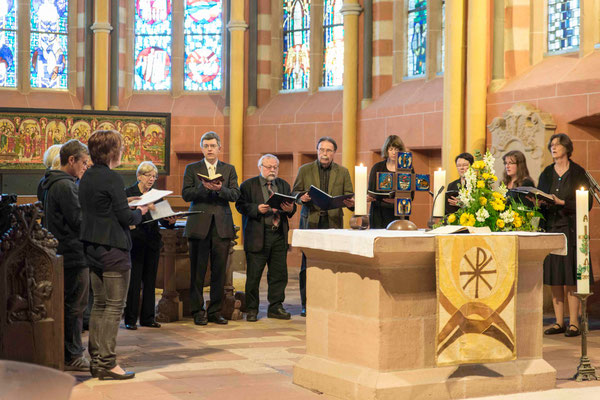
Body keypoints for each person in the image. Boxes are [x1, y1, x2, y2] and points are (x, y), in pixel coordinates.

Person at [79, 130, 151, 380]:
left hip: (93, 248)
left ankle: (97, 360)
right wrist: (141, 210)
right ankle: (108, 363)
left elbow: (101, 207)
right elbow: (126, 218)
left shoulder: (88, 175)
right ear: (111, 151)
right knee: (114, 308)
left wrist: (124, 200)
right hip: (113, 250)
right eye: (120, 147)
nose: (122, 151)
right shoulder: (111, 178)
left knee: (99, 304)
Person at [39, 139, 90, 371]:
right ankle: (72, 355)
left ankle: (67, 351)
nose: (84, 167)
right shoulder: (67, 185)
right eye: (83, 163)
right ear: (71, 160)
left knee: (69, 305)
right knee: (75, 307)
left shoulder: (50, 182)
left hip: (61, 251)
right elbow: (79, 221)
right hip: (73, 253)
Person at [182, 131, 240, 326]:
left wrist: (219, 189)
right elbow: (186, 194)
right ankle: (197, 311)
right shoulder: (192, 168)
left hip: (222, 226)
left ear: (219, 148)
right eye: (206, 146)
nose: (209, 149)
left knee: (219, 272)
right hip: (199, 224)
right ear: (202, 148)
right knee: (197, 271)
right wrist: (204, 187)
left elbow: (234, 195)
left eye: (212, 146)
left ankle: (215, 311)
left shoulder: (229, 169)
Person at [538, 133, 593, 338]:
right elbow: (540, 195)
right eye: (551, 145)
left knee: (571, 275)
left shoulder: (578, 172)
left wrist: (562, 203)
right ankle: (559, 322)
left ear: (566, 148)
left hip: (571, 229)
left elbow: (586, 203)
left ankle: (574, 322)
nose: (553, 148)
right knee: (555, 277)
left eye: (557, 145)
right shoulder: (546, 173)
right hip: (552, 227)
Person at [292, 137, 354, 317]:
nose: (324, 154)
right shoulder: (305, 170)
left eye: (328, 150)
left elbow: (349, 197)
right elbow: (295, 192)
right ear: (317, 151)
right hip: (311, 222)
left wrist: (350, 202)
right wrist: (300, 198)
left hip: (332, 222)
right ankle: (306, 303)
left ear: (334, 153)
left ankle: (329, 302)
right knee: (307, 265)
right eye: (321, 150)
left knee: (331, 264)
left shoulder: (342, 172)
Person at [236, 154, 297, 322]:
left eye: (275, 167)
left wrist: (290, 208)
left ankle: (276, 307)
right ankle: (252, 309)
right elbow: (240, 205)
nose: (272, 170)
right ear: (260, 167)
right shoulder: (248, 185)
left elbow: (293, 208)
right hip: (258, 234)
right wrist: (256, 208)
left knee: (279, 274)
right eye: (268, 167)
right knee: (254, 276)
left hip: (278, 234)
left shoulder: (283, 185)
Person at [124, 161, 176, 330]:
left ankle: (147, 317)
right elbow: (126, 217)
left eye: (154, 176)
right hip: (135, 242)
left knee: (150, 281)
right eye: (148, 175)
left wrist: (170, 221)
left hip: (152, 242)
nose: (152, 179)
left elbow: (164, 220)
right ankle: (130, 319)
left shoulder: (157, 195)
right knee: (134, 282)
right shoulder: (128, 193)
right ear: (139, 176)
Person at [368, 135, 410, 228]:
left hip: (399, 213)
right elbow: (371, 191)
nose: (394, 153)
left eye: (397, 149)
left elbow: (411, 194)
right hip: (379, 213)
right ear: (386, 150)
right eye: (391, 149)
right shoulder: (377, 167)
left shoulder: (406, 169)